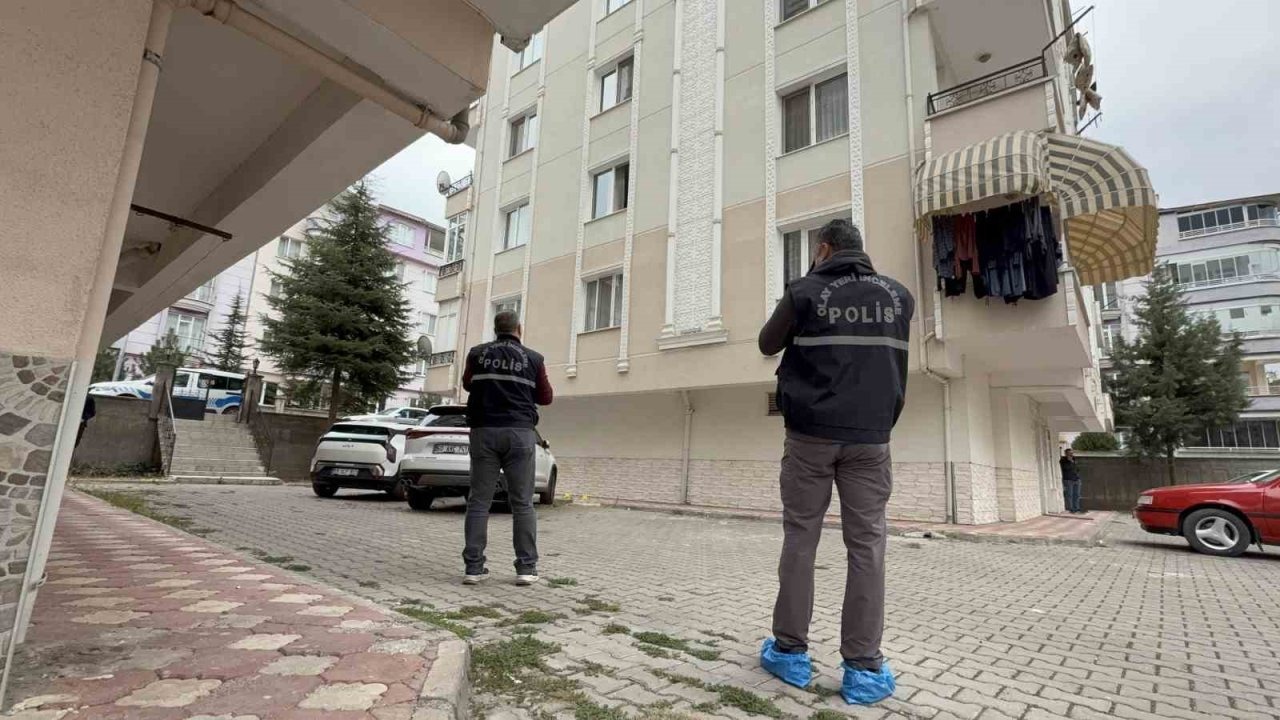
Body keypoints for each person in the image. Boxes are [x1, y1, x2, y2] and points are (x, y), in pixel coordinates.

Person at [756, 219, 914, 705]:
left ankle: (789, 651)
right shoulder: (899, 296)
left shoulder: (805, 290)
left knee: (801, 537)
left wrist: (806, 291)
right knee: (867, 546)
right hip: (872, 438)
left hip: (809, 437)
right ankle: (864, 668)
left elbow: (767, 343)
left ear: (822, 249)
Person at [461, 311, 554, 586]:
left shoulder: (477, 354)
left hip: (484, 431)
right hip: (519, 434)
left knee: (479, 501)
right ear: (519, 329)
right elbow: (546, 397)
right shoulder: (534, 359)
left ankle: (473, 569)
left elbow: (467, 384)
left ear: (495, 329)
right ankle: (526, 569)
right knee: (523, 503)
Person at [1060, 449, 1083, 513]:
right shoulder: (1063, 460)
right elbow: (1065, 468)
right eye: (1069, 453)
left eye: (1072, 453)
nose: (1071, 455)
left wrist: (1073, 462)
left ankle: (1077, 508)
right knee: (1069, 495)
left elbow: (1078, 468)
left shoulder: (1074, 460)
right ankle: (1071, 508)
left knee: (1077, 494)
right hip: (1068, 480)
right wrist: (1070, 462)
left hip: (1077, 479)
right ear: (1066, 454)